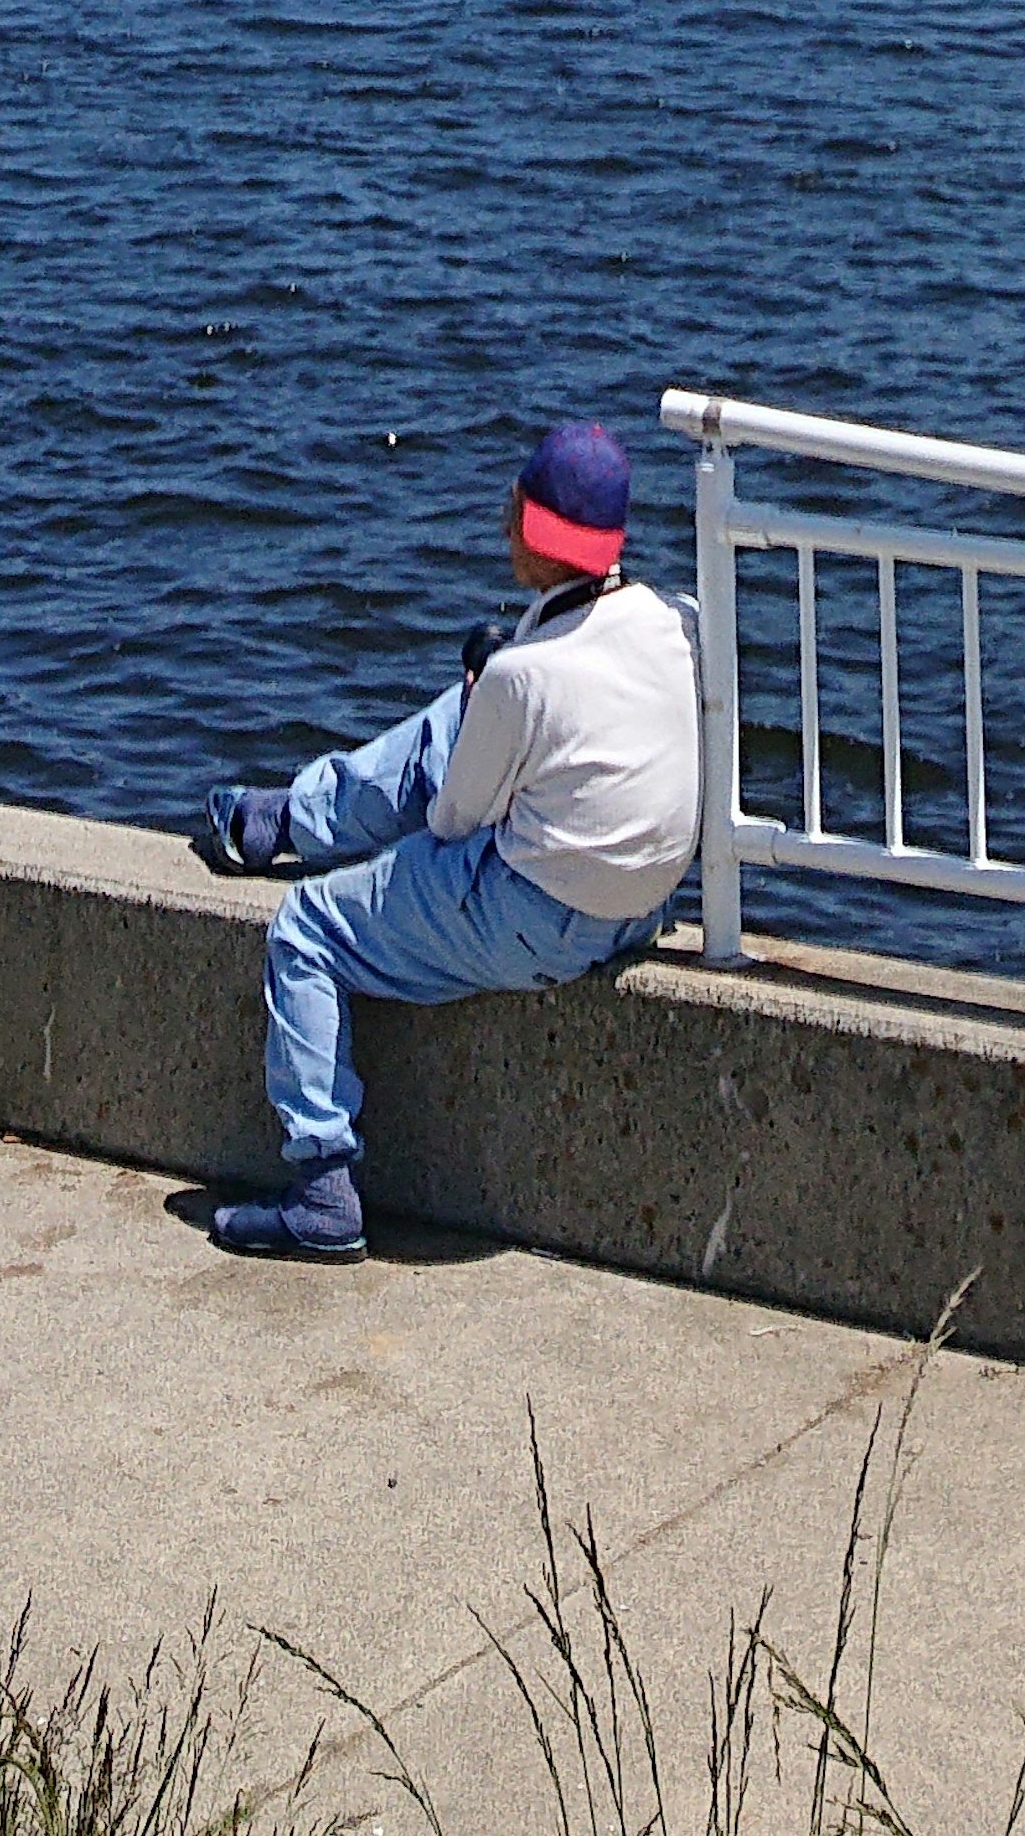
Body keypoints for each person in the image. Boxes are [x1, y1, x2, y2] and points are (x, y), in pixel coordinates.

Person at [194, 414, 704, 1256]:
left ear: (530, 529)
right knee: (452, 721)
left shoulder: (521, 677)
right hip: (643, 902)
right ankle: (288, 813)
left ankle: (321, 1185)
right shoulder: (668, 617)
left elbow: (450, 822)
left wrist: (488, 698)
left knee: (306, 927)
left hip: (540, 918)